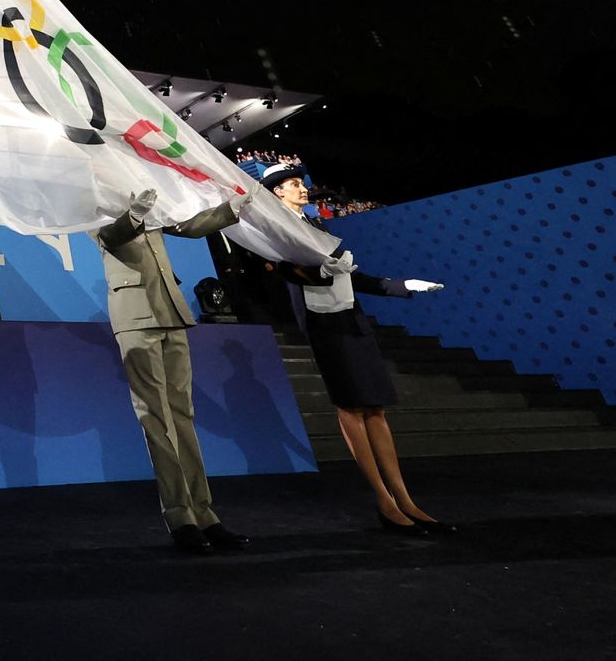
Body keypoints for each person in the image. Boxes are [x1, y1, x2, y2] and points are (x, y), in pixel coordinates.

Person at [261, 164, 450, 536]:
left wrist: (403, 285)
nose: (303, 188)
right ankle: (383, 499)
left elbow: (349, 274)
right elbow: (284, 269)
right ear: (277, 192)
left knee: (375, 406)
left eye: (302, 183)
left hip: (350, 315)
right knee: (350, 406)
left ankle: (404, 498)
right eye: (294, 184)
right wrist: (322, 273)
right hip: (323, 322)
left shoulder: (316, 225)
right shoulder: (275, 227)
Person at [92, 187, 255, 553]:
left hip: (171, 311)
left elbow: (187, 225)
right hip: (135, 316)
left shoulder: (150, 199)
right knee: (156, 418)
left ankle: (206, 514)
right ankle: (180, 517)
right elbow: (110, 236)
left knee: (183, 415)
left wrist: (230, 209)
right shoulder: (96, 202)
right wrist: (133, 214)